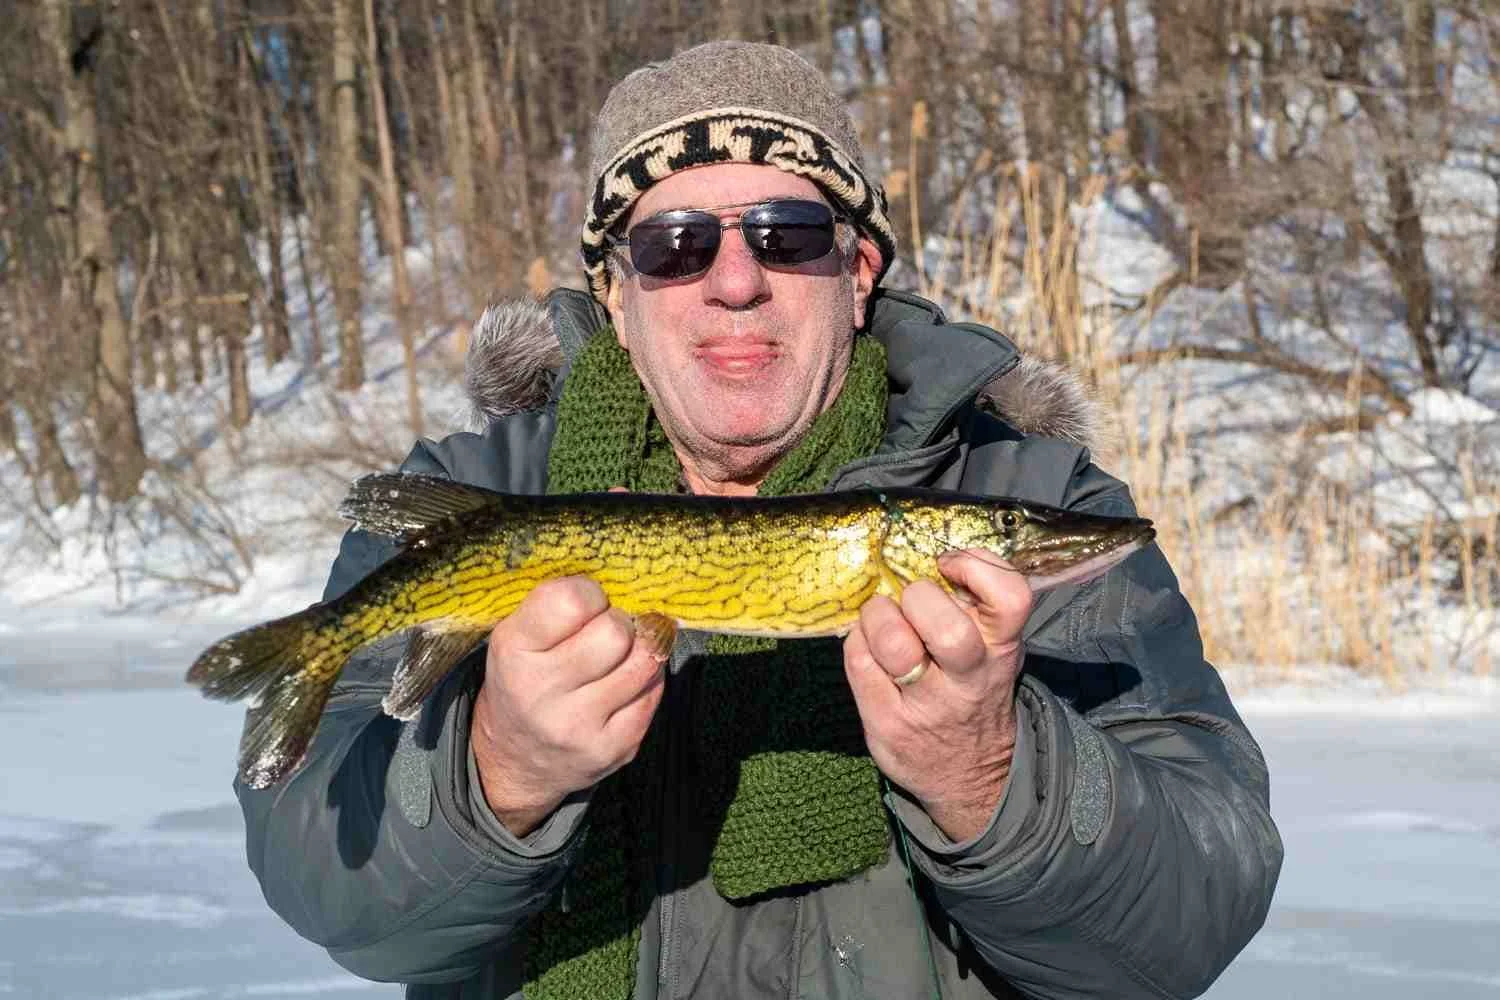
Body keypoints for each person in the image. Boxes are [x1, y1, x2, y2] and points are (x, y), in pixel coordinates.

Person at [236, 40, 1282, 1000]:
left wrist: (995, 775)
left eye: (788, 235)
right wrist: (493, 774)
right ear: (613, 291)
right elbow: (329, 887)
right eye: (675, 245)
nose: (735, 281)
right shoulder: (484, 487)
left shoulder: (1041, 497)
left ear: (859, 271)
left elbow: (1197, 915)